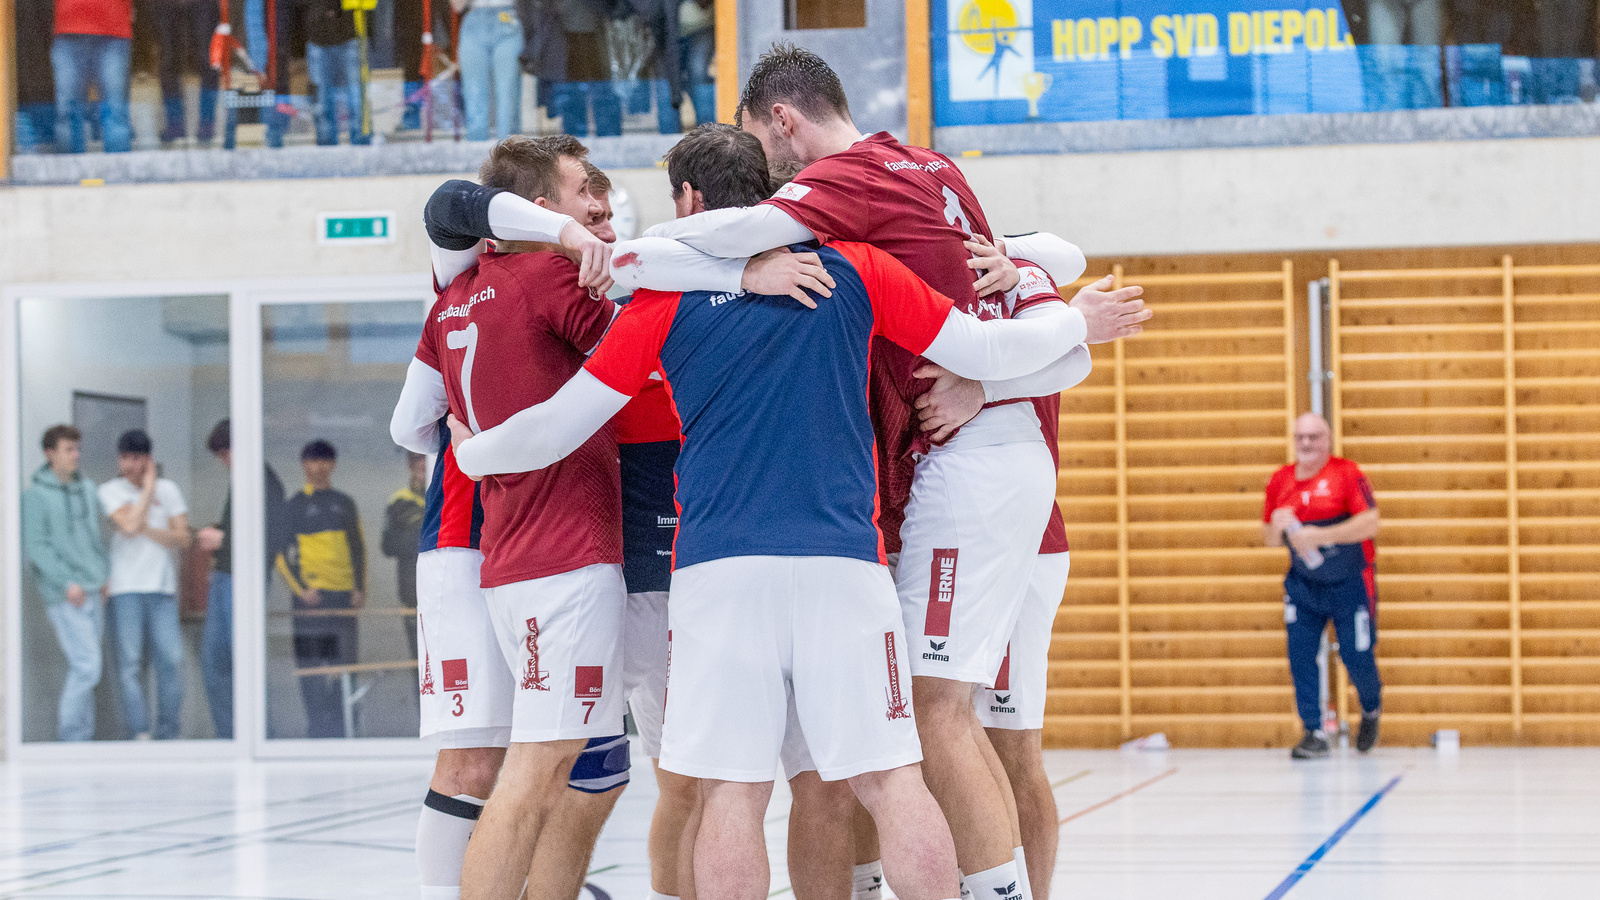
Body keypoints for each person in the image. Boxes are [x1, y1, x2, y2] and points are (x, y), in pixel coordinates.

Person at [447, 123, 1123, 900]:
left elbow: (558, 425)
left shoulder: (662, 300)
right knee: (893, 782)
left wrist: (472, 453)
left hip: (719, 571)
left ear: (690, 200)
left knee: (732, 795)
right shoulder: (859, 269)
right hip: (846, 565)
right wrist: (1076, 322)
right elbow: (990, 351)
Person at [644, 45, 1146, 900]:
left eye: (765, 147)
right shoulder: (933, 171)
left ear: (783, 121)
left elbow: (729, 235)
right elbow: (1048, 262)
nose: (775, 183)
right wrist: (1031, 334)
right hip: (984, 481)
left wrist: (634, 248)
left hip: (960, 475)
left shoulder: (848, 192)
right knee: (949, 732)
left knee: (925, 718)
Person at [1263, 412, 1384, 759]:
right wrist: (1276, 526)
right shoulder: (1281, 480)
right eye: (1300, 437)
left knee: (1356, 655)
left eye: (1313, 437)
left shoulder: (1347, 474)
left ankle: (1370, 708)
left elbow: (1370, 523)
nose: (1306, 443)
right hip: (1304, 586)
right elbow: (1269, 539)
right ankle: (1313, 731)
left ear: (1327, 440)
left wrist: (1322, 535)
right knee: (1300, 655)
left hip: (1350, 584)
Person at [195, 419, 289, 740]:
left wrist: (223, 540)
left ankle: (259, 737)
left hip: (242, 581)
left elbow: (272, 536)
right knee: (216, 664)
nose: (224, 462)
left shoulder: (264, 481)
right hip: (225, 577)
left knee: (244, 663)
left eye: (226, 454)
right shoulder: (243, 479)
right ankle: (232, 738)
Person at [99, 429, 191, 740]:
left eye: (135, 458)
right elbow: (128, 527)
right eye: (123, 457)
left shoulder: (169, 489)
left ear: (148, 460)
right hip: (125, 588)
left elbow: (183, 538)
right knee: (129, 664)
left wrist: (147, 525)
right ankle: (139, 732)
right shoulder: (110, 490)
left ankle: (168, 733)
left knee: (172, 660)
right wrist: (149, 493)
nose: (128, 464)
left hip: (162, 588)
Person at [21, 425, 110, 742]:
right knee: (87, 666)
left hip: (94, 590)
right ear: (50, 454)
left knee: (87, 669)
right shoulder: (35, 496)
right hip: (65, 594)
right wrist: (66, 582)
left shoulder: (87, 489)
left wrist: (104, 574)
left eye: (77, 449)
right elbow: (37, 547)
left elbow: (97, 537)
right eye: (69, 449)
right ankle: (71, 741)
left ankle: (81, 743)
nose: (76, 455)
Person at [277, 439, 368, 738]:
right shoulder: (294, 505)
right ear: (304, 466)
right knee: (312, 669)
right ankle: (317, 731)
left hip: (343, 599)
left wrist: (359, 588)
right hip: (311, 602)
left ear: (333, 465)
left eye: (324, 460)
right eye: (312, 461)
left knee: (345, 666)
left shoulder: (345, 502)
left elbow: (359, 547)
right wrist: (301, 590)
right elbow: (279, 555)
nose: (318, 467)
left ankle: (343, 730)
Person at [52, 0, 134, 152]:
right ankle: (68, 169)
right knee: (68, 113)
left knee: (115, 111)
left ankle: (118, 167)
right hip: (71, 28)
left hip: (112, 29)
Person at [291, 0, 371, 145]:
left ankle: (362, 145)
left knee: (356, 99)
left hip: (350, 33)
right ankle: (327, 149)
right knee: (321, 104)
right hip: (317, 36)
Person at [453, 0, 524, 141]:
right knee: (473, 94)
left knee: (508, 94)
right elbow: (457, 6)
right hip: (474, 19)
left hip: (507, 16)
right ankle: (476, 150)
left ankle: (509, 150)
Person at [153, 0, 222, 144]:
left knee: (208, 59)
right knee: (168, 60)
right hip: (165, 4)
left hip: (202, 4)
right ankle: (175, 124)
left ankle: (206, 123)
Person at [384, 451, 428, 658]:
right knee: (418, 658)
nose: (423, 466)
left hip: (445, 589)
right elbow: (387, 546)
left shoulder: (446, 495)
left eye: (426, 461)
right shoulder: (398, 502)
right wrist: (417, 537)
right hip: (412, 593)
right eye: (417, 461)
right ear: (410, 466)